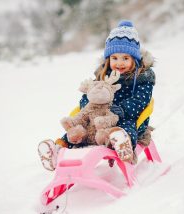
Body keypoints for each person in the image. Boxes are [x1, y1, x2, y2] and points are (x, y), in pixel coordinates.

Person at [38, 20, 156, 171]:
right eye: (114, 58)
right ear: (108, 59)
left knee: (126, 127)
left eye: (125, 58)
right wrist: (89, 107)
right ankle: (57, 149)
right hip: (98, 119)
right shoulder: (102, 76)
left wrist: (119, 111)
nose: (119, 63)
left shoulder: (142, 79)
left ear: (135, 59)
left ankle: (122, 145)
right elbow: (90, 94)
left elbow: (141, 101)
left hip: (128, 117)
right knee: (78, 129)